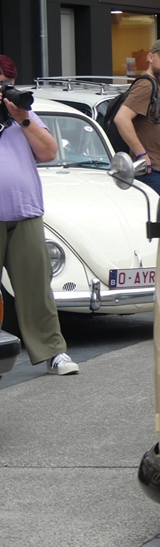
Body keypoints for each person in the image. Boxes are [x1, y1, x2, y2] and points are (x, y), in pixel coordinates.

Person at [0, 55, 78, 375]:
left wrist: (23, 118)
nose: (4, 90)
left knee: (36, 288)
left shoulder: (21, 112)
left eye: (6, 84)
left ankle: (53, 352)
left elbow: (48, 151)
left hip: (25, 210)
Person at [113, 39, 160, 195]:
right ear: (150, 57)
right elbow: (121, 118)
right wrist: (141, 154)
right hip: (153, 172)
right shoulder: (146, 85)